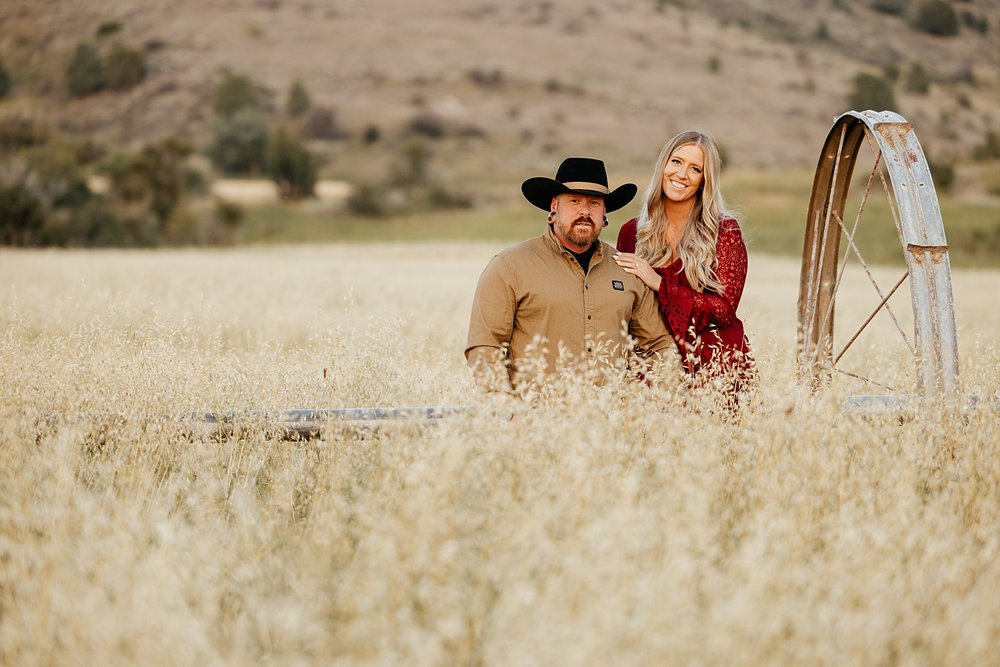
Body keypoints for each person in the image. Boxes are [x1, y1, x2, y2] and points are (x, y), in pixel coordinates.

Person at [465, 157, 675, 391]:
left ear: (604, 211)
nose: (584, 211)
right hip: (535, 420)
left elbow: (659, 345)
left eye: (594, 203)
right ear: (554, 206)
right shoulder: (509, 266)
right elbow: (485, 346)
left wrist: (647, 403)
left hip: (611, 420)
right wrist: (506, 410)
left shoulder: (627, 269)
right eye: (574, 201)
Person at [613, 131, 755, 395]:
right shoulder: (632, 232)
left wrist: (657, 282)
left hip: (715, 362)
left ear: (704, 180)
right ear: (663, 165)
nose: (681, 174)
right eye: (676, 162)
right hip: (654, 362)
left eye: (695, 169)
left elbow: (724, 311)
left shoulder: (724, 232)